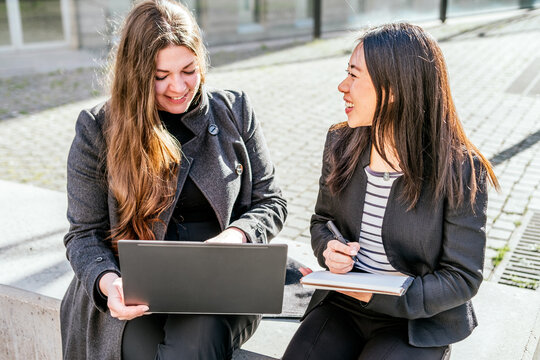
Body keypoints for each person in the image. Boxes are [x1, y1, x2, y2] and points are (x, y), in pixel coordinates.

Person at [59, 1, 287, 359]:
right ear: (135, 74)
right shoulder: (97, 129)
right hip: (132, 286)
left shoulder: (235, 110)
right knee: (140, 348)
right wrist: (109, 285)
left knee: (199, 337)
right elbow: (84, 234)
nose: (178, 87)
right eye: (160, 76)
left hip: (222, 282)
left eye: (189, 70)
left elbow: (271, 201)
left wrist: (237, 235)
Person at [282, 22, 499, 360]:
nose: (343, 86)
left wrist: (378, 295)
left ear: (393, 89)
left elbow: (462, 277)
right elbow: (321, 221)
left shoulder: (459, 169)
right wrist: (329, 250)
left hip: (418, 320)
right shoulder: (340, 142)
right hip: (343, 304)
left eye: (354, 76)